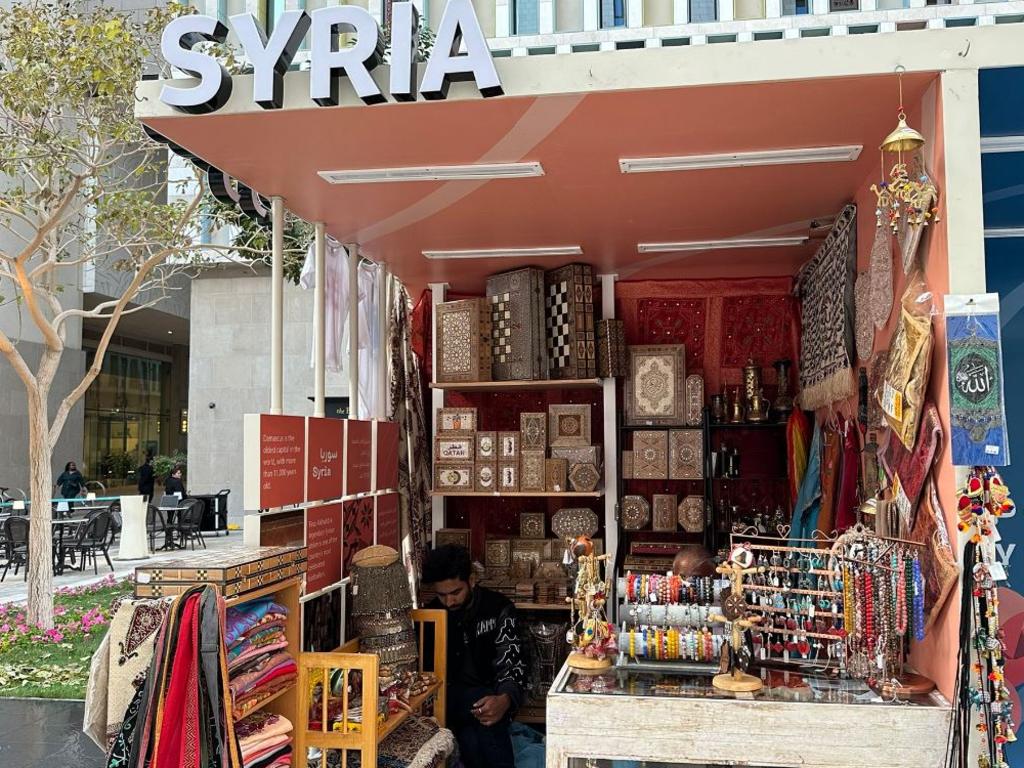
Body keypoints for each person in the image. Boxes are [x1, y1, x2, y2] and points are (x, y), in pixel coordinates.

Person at [422, 544, 524, 768]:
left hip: (490, 705)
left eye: (455, 592)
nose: (449, 602)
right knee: (476, 715)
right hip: (448, 705)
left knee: (475, 735)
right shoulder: (430, 616)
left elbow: (512, 663)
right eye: (442, 595)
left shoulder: (498, 609)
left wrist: (504, 699)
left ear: (472, 579)